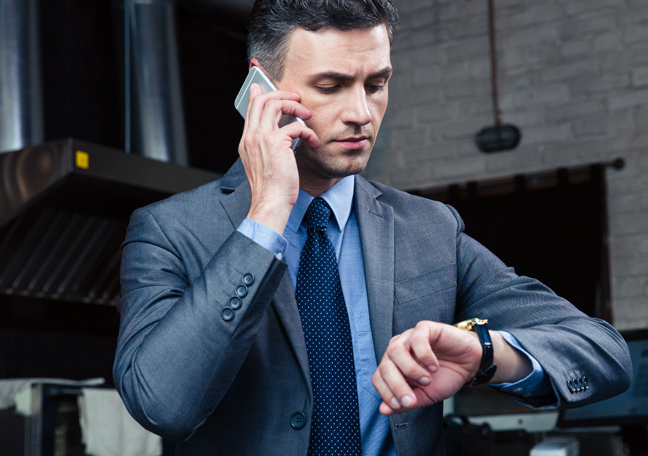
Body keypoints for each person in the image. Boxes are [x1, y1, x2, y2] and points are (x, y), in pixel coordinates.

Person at [113, 1, 632, 455]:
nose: (362, 113)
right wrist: (267, 216)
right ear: (260, 91)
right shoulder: (169, 230)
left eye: (376, 84)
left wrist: (484, 353)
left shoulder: (429, 230)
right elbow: (162, 405)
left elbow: (604, 352)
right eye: (331, 85)